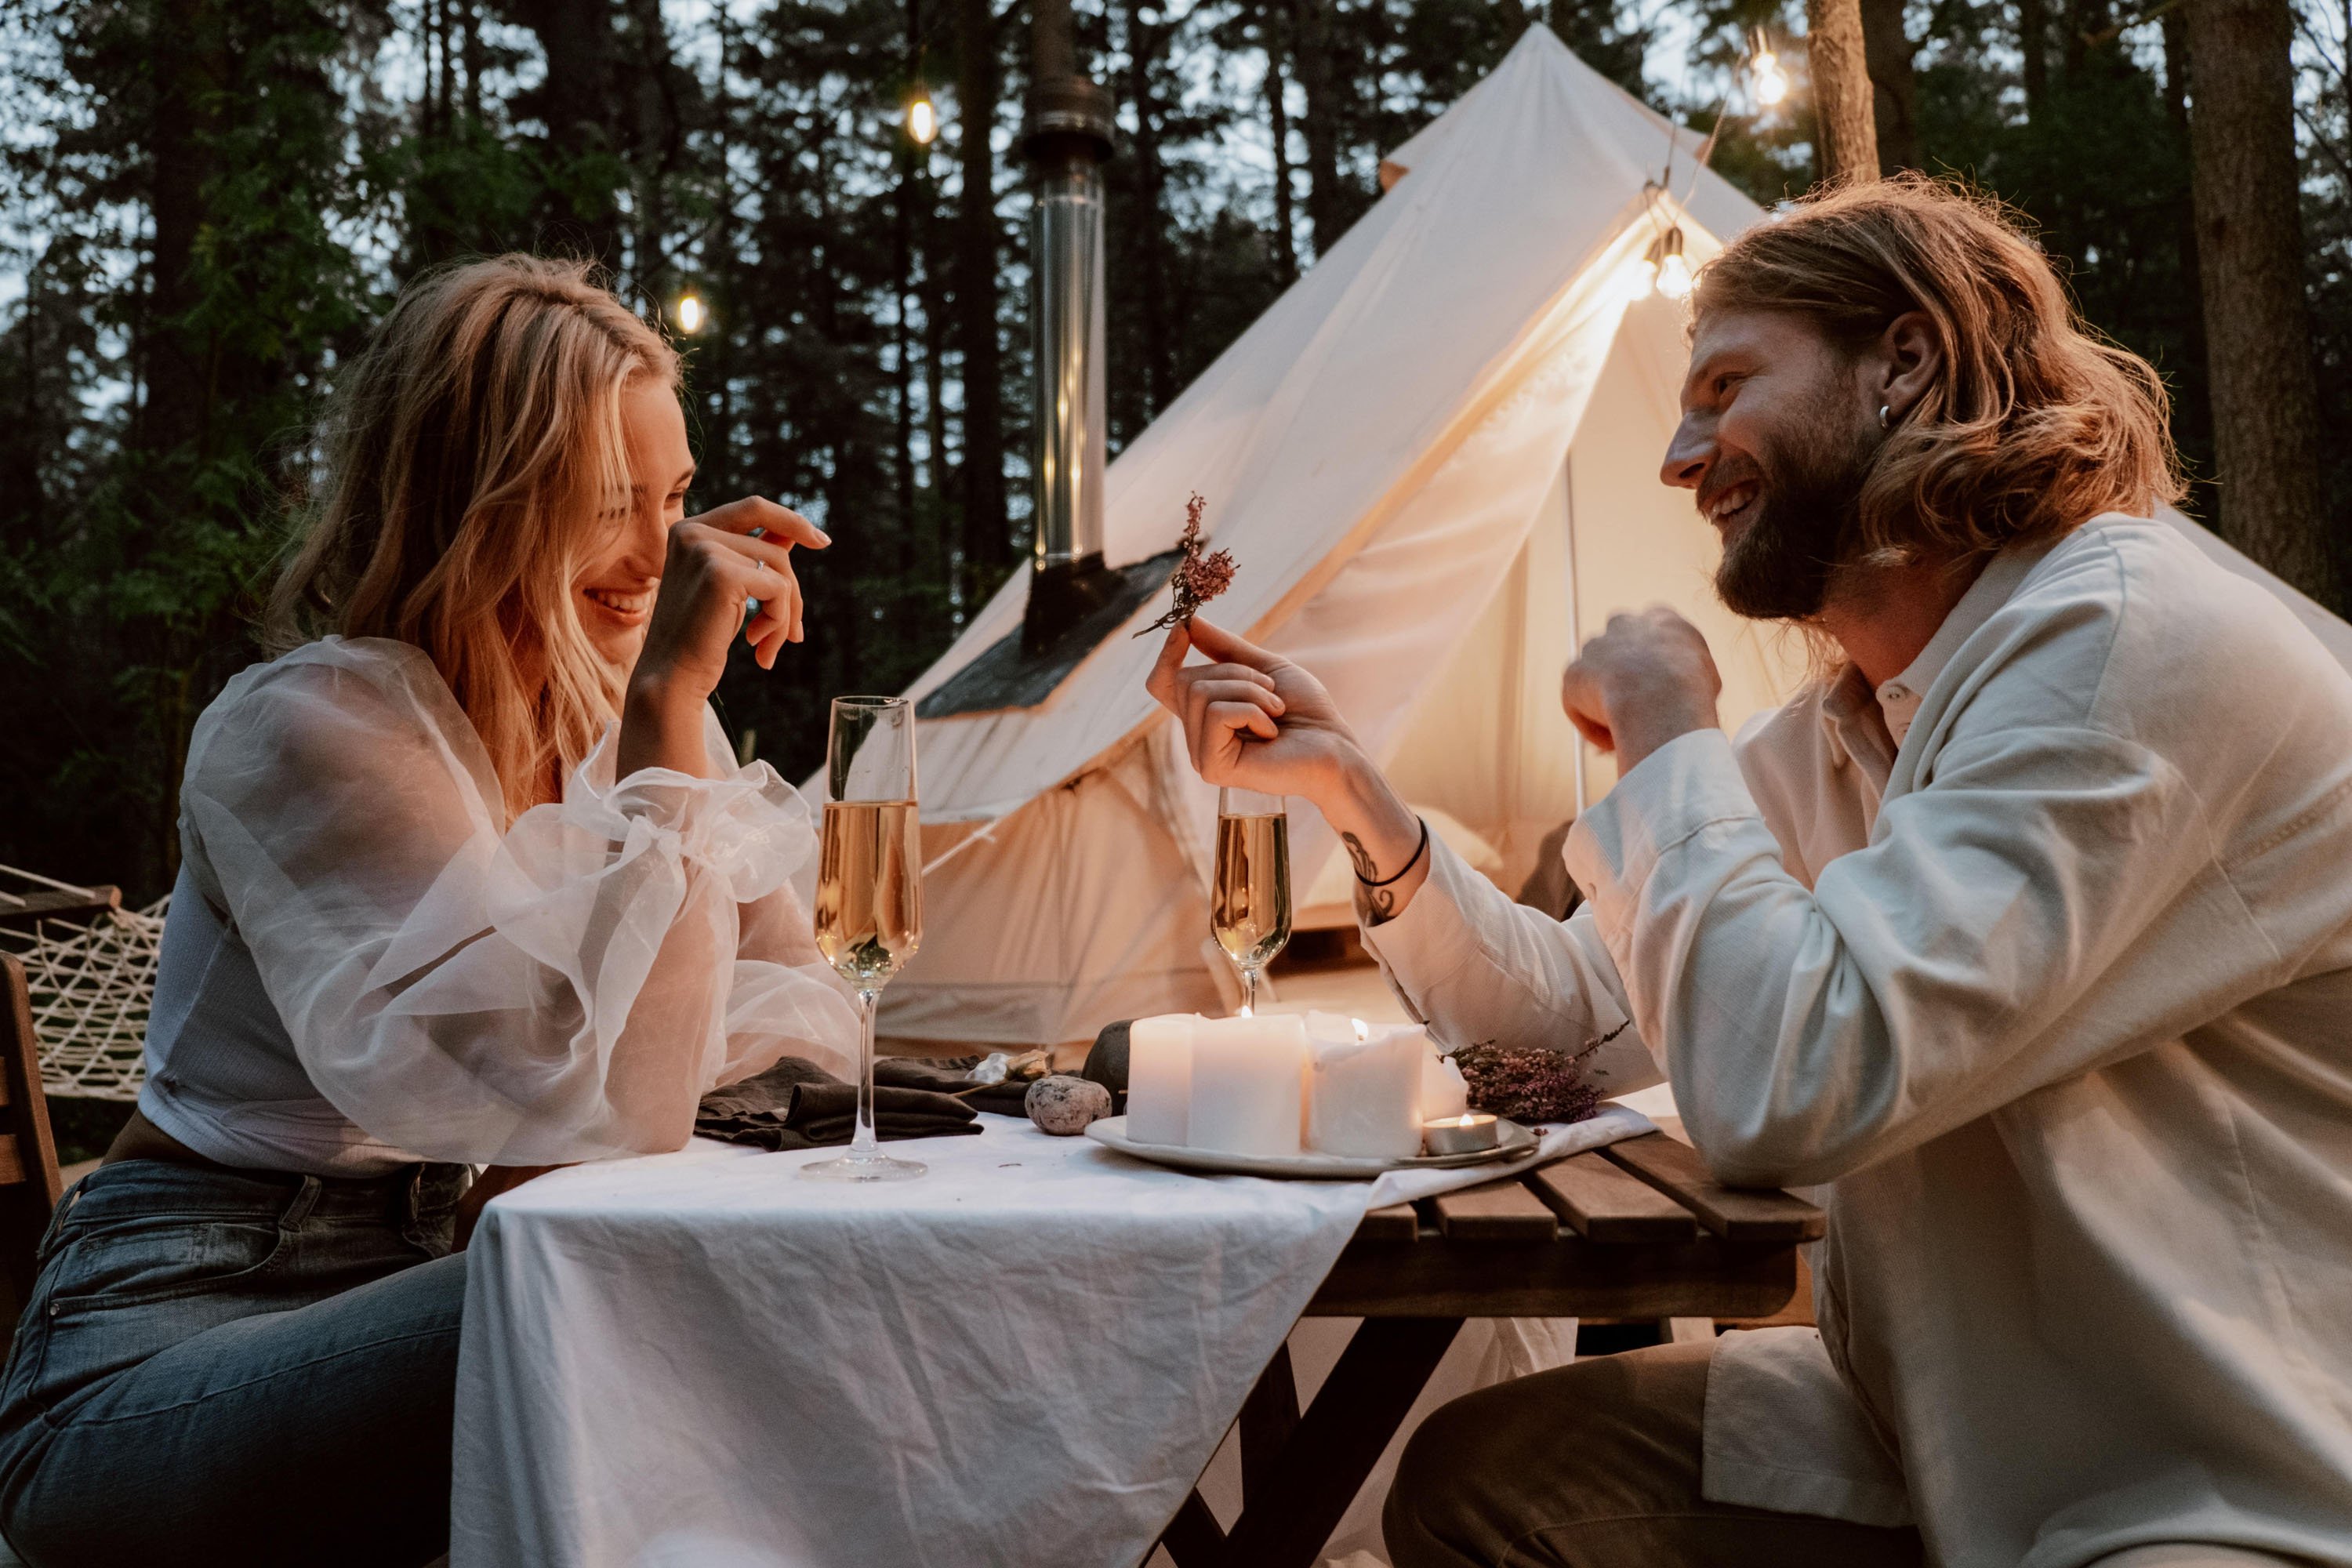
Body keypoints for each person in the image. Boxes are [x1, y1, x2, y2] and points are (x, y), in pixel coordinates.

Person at [1149, 176, 2352, 1567]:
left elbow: (1794, 1086)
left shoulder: (2124, 643)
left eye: (1724, 386)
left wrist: (1668, 730)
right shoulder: (1860, 721)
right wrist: (1357, 797)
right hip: (1954, 1423)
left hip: (2222, 1468)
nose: (1679, 452)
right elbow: (1579, 1033)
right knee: (1489, 1480)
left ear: (1906, 359)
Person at [0, 256, 861, 1566]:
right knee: (642, 1313)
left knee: (765, 1294)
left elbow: (803, 1012)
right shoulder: (308, 726)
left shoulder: (614, 734)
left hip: (441, 1279)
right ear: (485, 501)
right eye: (607, 506)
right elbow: (578, 1091)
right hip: (164, 1341)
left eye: (677, 500)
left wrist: (655, 743)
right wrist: (668, 723)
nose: (657, 558)